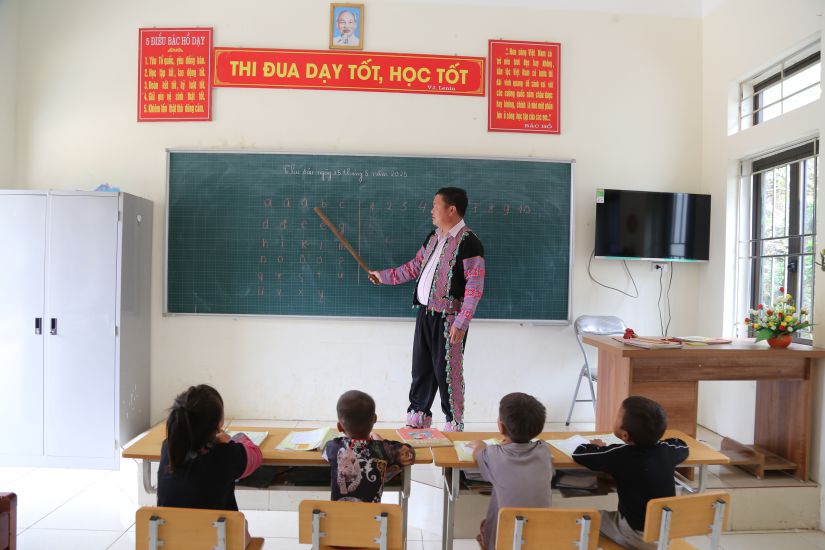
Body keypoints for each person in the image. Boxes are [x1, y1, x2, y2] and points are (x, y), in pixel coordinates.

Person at [368, 187, 485, 432]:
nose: (431, 210)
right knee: (421, 370)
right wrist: (383, 276)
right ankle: (417, 419)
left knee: (448, 373)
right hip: (425, 314)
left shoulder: (469, 243)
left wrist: (461, 323)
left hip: (449, 320)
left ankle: (453, 423)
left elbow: (474, 288)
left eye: (435, 205)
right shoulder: (433, 237)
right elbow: (414, 267)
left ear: (451, 210)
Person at [572, 396, 689, 550]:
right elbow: (682, 445)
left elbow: (580, 454)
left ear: (625, 435)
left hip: (635, 535)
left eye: (618, 415)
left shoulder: (620, 455)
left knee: (587, 519)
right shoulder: (668, 451)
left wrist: (595, 445)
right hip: (665, 534)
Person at [157, 384, 263, 547]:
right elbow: (256, 456)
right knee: (240, 528)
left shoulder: (168, 449)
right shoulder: (226, 454)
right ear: (218, 424)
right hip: (220, 543)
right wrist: (232, 440)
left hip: (173, 544)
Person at [469, 393, 553, 549]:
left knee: (487, 525)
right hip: (538, 541)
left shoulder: (493, 454)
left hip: (501, 542)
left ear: (501, 426)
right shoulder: (544, 451)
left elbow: (477, 453)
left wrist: (478, 444)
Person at [322, 390, 416, 502]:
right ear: (375, 419)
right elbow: (409, 454)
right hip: (373, 513)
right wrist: (381, 441)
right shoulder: (382, 449)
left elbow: (324, 451)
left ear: (339, 427)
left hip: (338, 513)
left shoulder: (333, 447)